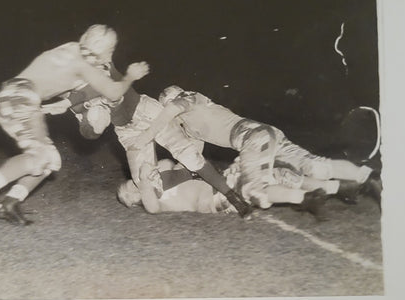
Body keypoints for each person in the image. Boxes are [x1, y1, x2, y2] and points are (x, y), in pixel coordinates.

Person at [0, 25, 149, 227]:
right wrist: (130, 76)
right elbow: (113, 92)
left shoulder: (69, 50)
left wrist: (70, 101)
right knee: (40, 158)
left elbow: (63, 81)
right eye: (111, 49)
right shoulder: (83, 63)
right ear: (97, 45)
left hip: (9, 97)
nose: (111, 55)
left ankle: (10, 203)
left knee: (50, 161)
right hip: (22, 96)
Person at [44, 69, 253, 218]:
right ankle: (202, 181)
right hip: (127, 130)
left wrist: (79, 101)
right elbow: (88, 132)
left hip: (145, 111)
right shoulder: (76, 105)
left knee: (185, 153)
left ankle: (230, 194)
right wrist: (92, 123)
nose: (64, 92)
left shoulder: (94, 72)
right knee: (146, 176)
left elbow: (112, 83)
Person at [127, 86, 377, 209]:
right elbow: (194, 156)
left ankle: (312, 196)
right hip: (264, 133)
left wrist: (148, 133)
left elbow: (173, 108)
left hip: (250, 138)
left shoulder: (190, 100)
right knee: (315, 164)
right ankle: (363, 177)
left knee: (254, 190)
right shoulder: (188, 126)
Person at [117, 159, 329, 219]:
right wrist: (145, 180)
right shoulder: (153, 203)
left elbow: (171, 163)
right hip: (214, 200)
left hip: (221, 183)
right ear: (135, 202)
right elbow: (152, 208)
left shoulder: (162, 176)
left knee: (272, 172)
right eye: (130, 195)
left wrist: (152, 173)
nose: (134, 188)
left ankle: (327, 188)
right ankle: (306, 198)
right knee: (252, 188)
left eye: (131, 185)